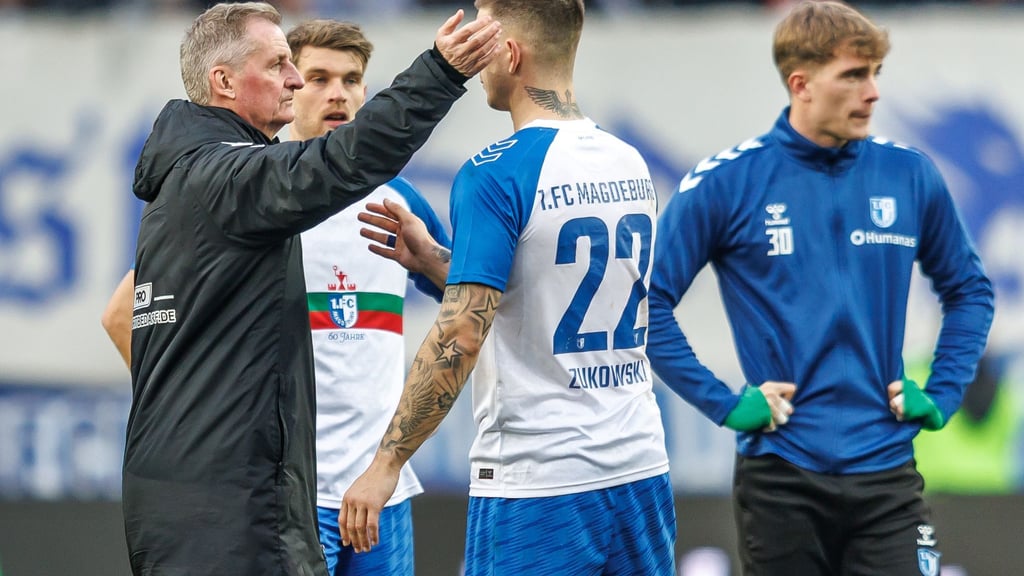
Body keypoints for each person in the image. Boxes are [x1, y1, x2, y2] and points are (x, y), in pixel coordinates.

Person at [120, 2, 500, 575]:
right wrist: (441, 73)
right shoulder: (235, 182)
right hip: (244, 498)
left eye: (349, 80)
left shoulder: (197, 181)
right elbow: (344, 162)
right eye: (283, 67)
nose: (300, 83)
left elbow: (466, 295)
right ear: (223, 80)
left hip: (269, 491)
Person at [645, 2, 995, 575]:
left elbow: (969, 290)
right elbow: (648, 304)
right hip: (781, 477)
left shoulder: (910, 174)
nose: (873, 92)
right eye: (855, 75)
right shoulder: (727, 181)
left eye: (876, 73)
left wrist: (946, 389)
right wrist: (727, 403)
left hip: (886, 474)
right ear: (800, 84)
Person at [340, 1, 676, 574]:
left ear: (511, 54)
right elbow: (545, 289)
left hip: (539, 480)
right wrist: (436, 261)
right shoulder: (629, 161)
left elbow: (462, 333)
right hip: (640, 470)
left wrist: (386, 463)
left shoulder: (496, 171)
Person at [286, 19, 452, 576]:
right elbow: (127, 309)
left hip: (380, 492)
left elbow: (469, 298)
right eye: (318, 78)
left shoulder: (396, 199)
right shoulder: (257, 194)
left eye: (352, 80)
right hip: (290, 496)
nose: (338, 93)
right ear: (289, 85)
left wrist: (431, 258)